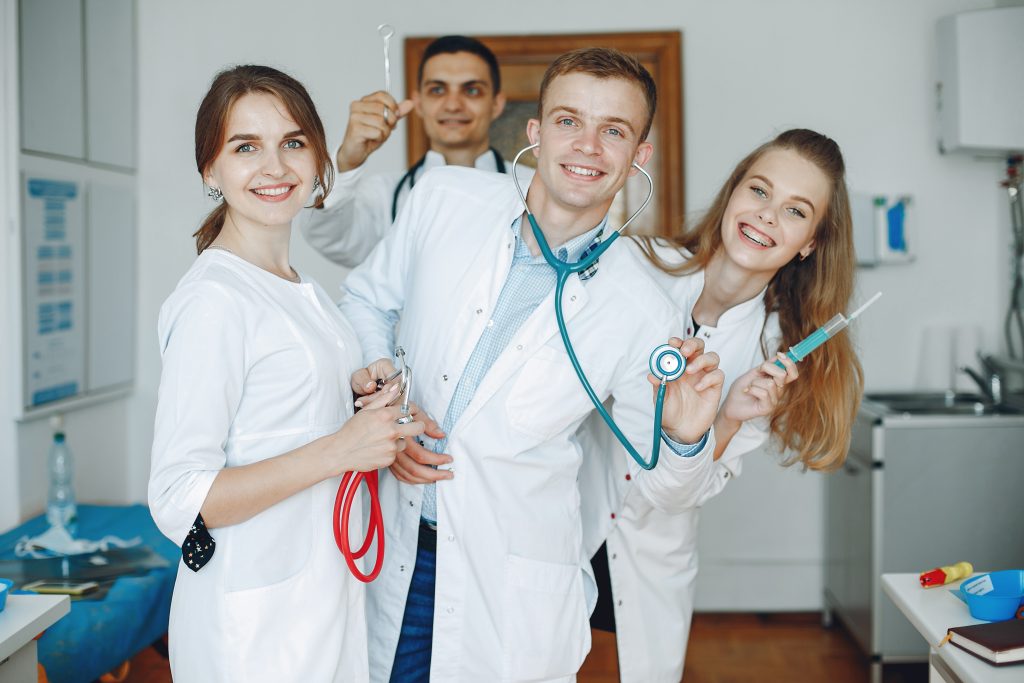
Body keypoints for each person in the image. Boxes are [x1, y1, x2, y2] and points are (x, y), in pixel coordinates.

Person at [340, 48, 727, 682]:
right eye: (569, 121)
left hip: (511, 575)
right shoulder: (442, 199)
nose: (588, 145)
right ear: (535, 132)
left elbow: (660, 489)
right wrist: (388, 399)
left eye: (615, 130)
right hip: (400, 547)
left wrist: (685, 438)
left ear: (640, 156)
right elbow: (364, 302)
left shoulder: (642, 309)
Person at [148, 65, 431, 682]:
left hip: (320, 605)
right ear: (209, 170)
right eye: (245, 147)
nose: (274, 167)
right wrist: (340, 448)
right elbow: (179, 498)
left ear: (319, 160)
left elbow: (280, 420)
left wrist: (358, 397)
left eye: (293, 143)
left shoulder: (299, 289)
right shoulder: (214, 299)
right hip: (253, 632)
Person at [579, 128, 865, 682]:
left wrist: (729, 416)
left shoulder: (772, 359)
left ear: (810, 242)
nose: (765, 216)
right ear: (733, 192)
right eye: (759, 191)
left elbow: (675, 494)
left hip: (647, 556)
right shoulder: (632, 265)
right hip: (562, 523)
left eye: (795, 211)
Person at [301, 35, 532, 267]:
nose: (453, 105)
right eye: (437, 90)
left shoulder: (532, 187)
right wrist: (346, 161)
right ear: (418, 103)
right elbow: (330, 238)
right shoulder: (384, 195)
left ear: (496, 104)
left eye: (471, 91)